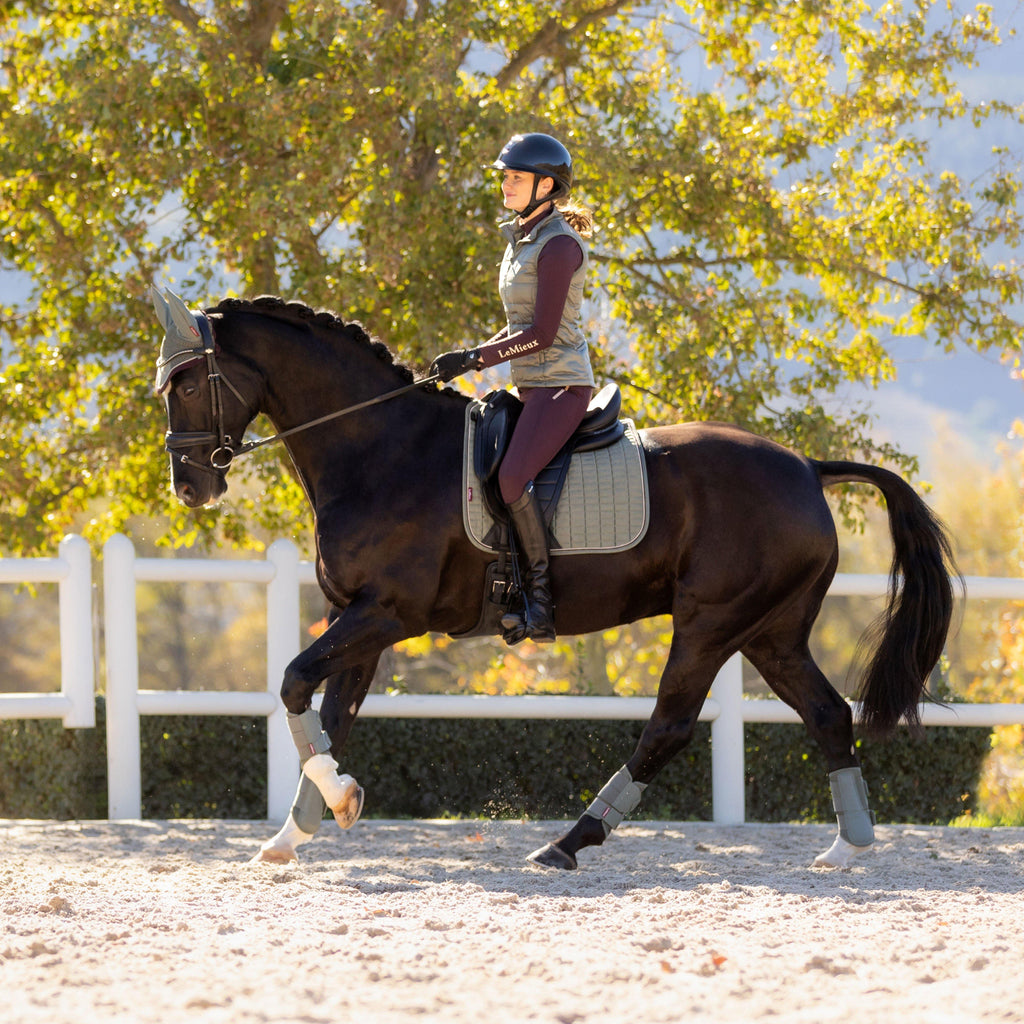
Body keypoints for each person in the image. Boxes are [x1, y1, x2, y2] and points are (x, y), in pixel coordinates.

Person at [429, 132, 596, 643]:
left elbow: (543, 334)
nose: (505, 183)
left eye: (515, 177)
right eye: (505, 175)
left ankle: (541, 603)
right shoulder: (523, 239)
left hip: (563, 388)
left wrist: (478, 358)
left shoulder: (560, 245)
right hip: (532, 387)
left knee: (510, 479)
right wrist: (469, 357)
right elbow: (521, 324)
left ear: (546, 185)